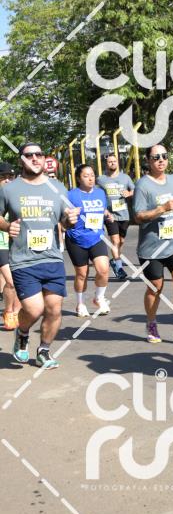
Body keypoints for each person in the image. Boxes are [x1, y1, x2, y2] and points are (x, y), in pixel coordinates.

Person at [0, 143, 80, 369]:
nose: (35, 158)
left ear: (44, 159)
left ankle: (44, 350)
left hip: (52, 258)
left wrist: (70, 221)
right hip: (23, 259)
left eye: (39, 154)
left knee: (54, 309)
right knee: (34, 309)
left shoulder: (58, 187)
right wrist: (7, 226)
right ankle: (22, 333)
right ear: (21, 160)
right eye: (29, 155)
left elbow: (64, 221)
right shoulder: (9, 189)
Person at [133, 144, 173, 345]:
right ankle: (151, 323)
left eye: (164, 156)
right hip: (151, 248)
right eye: (156, 157)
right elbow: (138, 216)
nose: (161, 160)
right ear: (148, 160)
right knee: (155, 288)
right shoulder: (143, 185)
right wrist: (162, 208)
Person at [66, 164, 112, 317]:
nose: (90, 178)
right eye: (86, 176)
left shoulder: (100, 193)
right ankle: (80, 303)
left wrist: (107, 214)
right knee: (81, 274)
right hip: (77, 238)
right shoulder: (71, 195)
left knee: (103, 269)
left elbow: (102, 209)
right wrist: (69, 216)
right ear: (79, 178)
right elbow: (63, 215)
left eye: (92, 175)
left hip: (96, 237)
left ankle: (99, 298)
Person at [97, 152, 134, 281]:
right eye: (110, 162)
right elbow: (95, 193)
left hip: (124, 214)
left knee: (121, 241)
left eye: (114, 161)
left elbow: (134, 190)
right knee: (115, 241)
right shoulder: (101, 179)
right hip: (110, 215)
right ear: (106, 164)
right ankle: (119, 268)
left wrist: (129, 193)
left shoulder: (125, 178)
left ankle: (115, 260)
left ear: (117, 163)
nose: (112, 163)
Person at [0, 161, 20, 330]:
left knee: (20, 281)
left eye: (10, 177)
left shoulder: (16, 197)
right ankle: (8, 311)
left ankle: (16, 311)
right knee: (11, 281)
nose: (7, 180)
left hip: (16, 244)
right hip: (1, 244)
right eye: (3, 177)